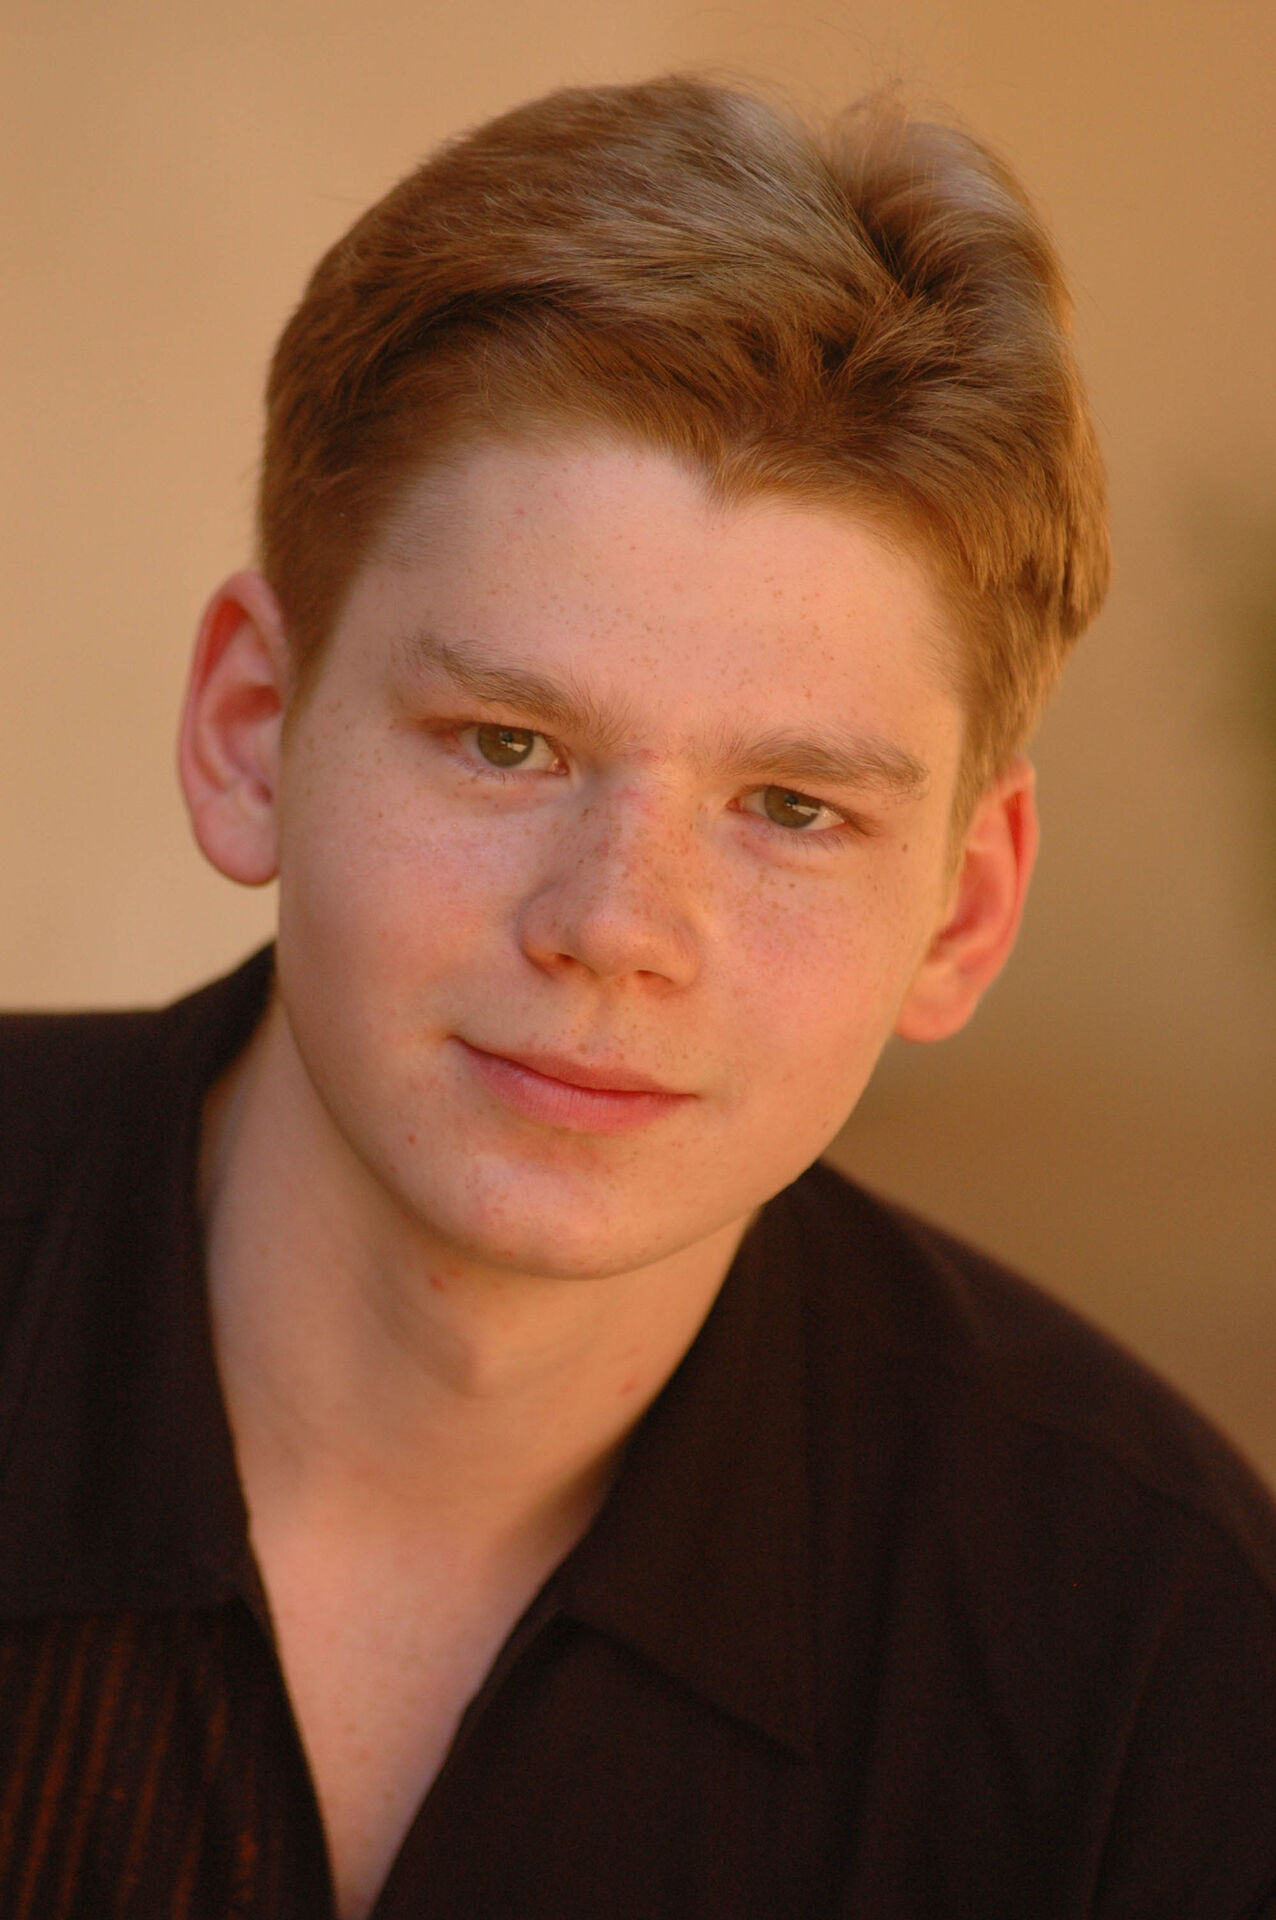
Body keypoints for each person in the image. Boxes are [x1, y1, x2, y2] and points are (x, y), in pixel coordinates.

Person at [1, 74, 1273, 1920]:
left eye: (792, 809)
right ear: (250, 732)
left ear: (964, 910)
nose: (616, 929)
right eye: (505, 743)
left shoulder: (1162, 1674)